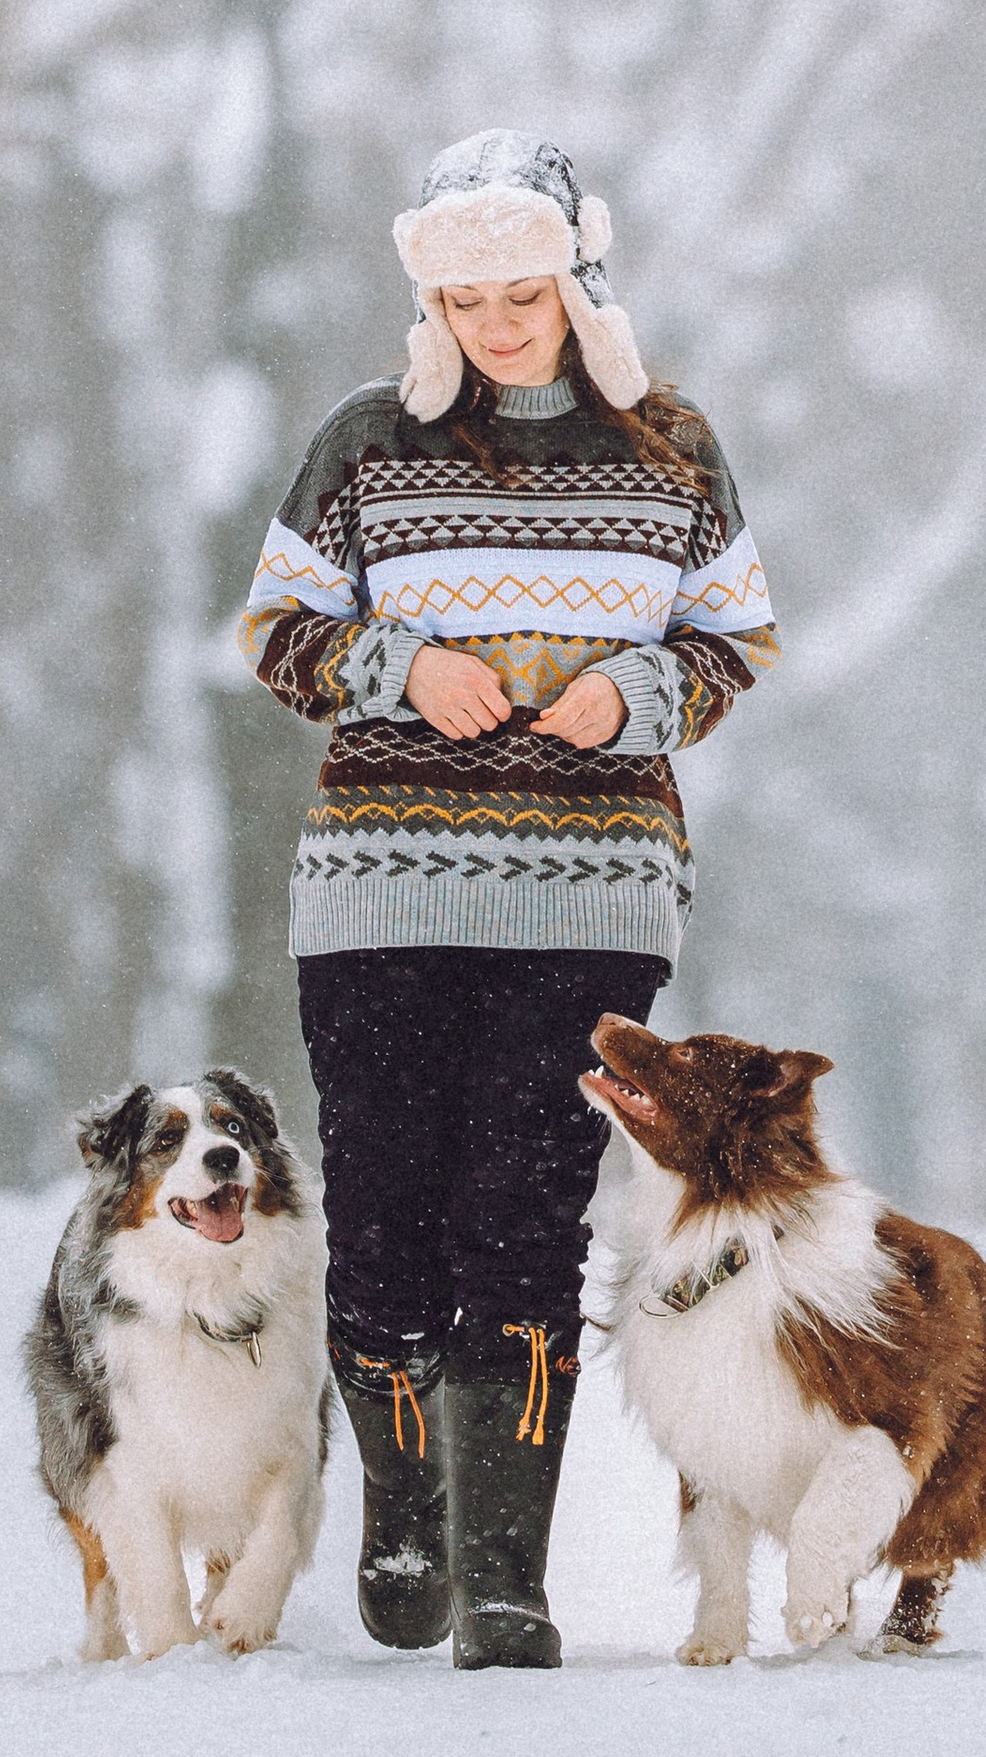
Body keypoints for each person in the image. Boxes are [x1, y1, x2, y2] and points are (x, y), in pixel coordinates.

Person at [238, 128, 779, 1667]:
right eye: (464, 292)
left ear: (571, 274)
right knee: (390, 1210)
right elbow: (279, 628)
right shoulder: (365, 444)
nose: (494, 317)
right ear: (434, 296)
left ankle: (504, 1578)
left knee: (523, 1214)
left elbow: (733, 641)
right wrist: (403, 666)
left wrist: (635, 701)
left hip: (591, 894)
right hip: (380, 891)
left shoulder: (670, 446)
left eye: (518, 285)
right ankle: (403, 1513)